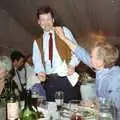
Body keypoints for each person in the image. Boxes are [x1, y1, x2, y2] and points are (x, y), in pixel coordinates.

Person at [55, 28, 120, 119]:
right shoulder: (101, 68)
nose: (89, 58)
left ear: (100, 61)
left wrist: (93, 104)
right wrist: (63, 38)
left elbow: (114, 109)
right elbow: (81, 53)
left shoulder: (115, 79)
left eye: (91, 56)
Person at [33, 6, 81, 102]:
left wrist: (72, 65)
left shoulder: (63, 31)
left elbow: (76, 50)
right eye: (43, 20)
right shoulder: (36, 42)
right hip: (49, 82)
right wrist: (40, 72)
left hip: (67, 79)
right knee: (53, 112)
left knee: (71, 112)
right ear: (39, 22)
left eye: (48, 19)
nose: (46, 23)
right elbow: (37, 63)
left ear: (53, 20)